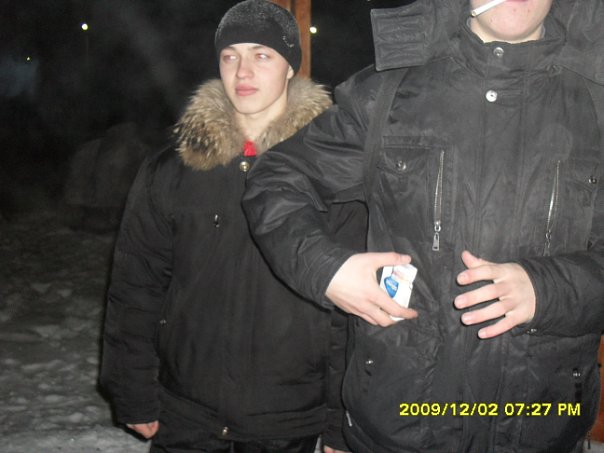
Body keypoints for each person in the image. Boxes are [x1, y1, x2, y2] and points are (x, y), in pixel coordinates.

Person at [242, 0, 604, 451]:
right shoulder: (389, 93)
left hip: (540, 430)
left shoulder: (596, 102)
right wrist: (326, 268)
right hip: (393, 432)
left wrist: (551, 290)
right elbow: (276, 181)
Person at [100, 1, 362, 452]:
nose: (243, 71)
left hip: (286, 418)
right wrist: (132, 388)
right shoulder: (173, 170)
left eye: (262, 55)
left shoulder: (332, 173)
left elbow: (352, 312)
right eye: (230, 55)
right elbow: (136, 285)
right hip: (186, 412)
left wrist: (343, 419)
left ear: (290, 67)